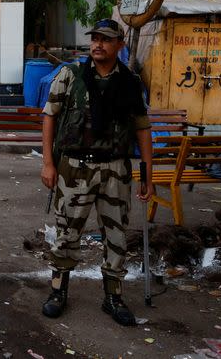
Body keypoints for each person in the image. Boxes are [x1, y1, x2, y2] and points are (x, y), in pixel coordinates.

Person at [40, 18, 154, 326]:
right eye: (94, 39)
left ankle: (113, 296)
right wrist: (48, 163)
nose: (97, 44)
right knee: (67, 231)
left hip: (115, 168)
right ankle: (57, 291)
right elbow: (49, 116)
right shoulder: (71, 75)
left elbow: (142, 128)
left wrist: (147, 175)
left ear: (119, 44)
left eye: (105, 39)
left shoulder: (129, 81)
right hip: (75, 167)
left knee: (116, 234)